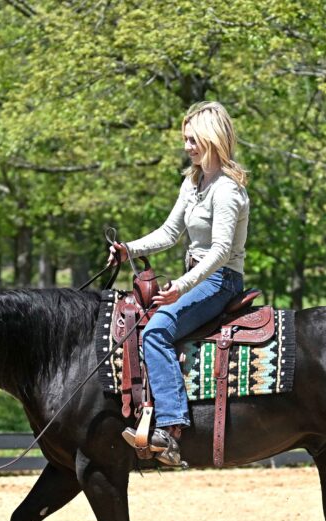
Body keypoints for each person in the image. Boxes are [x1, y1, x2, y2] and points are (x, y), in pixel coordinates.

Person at [107, 101, 249, 466]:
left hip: (221, 280)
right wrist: (128, 249)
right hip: (200, 277)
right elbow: (170, 233)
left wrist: (182, 286)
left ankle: (169, 429)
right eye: (185, 139)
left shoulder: (227, 190)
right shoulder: (193, 182)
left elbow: (220, 251)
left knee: (156, 332)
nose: (186, 146)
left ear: (212, 138)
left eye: (192, 139)